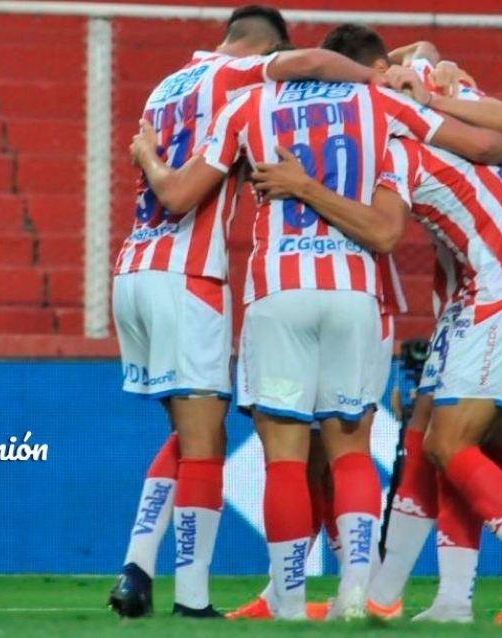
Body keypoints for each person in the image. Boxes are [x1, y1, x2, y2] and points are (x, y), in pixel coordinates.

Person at [131, 63, 502, 618]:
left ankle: (289, 603)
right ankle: (357, 589)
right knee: (351, 452)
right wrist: (443, 106)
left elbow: (179, 194)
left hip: (278, 292)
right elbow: (497, 145)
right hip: (354, 293)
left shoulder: (249, 103)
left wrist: (148, 156)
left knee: (285, 458)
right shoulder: (378, 102)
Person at [251, 67, 502, 624]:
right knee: (439, 433)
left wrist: (305, 187)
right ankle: (417, 598)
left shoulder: (393, 148)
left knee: (452, 444)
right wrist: (427, 77)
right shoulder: (438, 90)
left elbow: (383, 232)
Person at [108, 4, 390, 619]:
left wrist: (148, 157)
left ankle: (137, 564)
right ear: (266, 51)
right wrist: (378, 78)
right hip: (187, 275)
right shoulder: (238, 79)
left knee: (191, 431)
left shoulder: (167, 86)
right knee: (204, 441)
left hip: (133, 268)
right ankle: (190, 598)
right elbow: (310, 61)